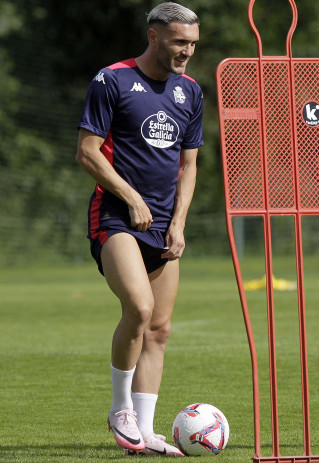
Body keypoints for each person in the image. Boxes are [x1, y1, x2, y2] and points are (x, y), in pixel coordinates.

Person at [75, 2, 203, 456]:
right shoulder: (112, 80)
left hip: (165, 226)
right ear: (153, 36)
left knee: (160, 329)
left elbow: (189, 166)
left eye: (192, 43)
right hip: (115, 217)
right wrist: (131, 198)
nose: (186, 51)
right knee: (140, 307)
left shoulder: (191, 92)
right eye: (178, 42)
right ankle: (120, 409)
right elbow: (88, 152)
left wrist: (180, 223)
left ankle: (145, 434)